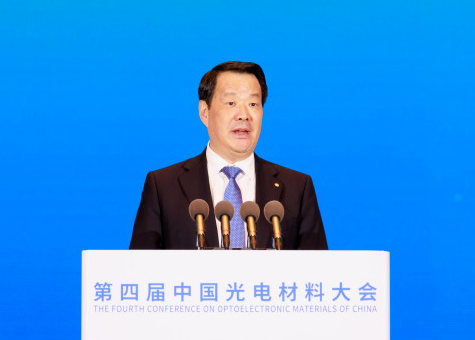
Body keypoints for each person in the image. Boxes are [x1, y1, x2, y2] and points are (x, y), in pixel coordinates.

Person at [129, 61, 328, 250]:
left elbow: (319, 268)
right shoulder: (163, 186)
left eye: (253, 104)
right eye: (231, 103)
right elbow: (138, 267)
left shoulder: (297, 188)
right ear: (204, 112)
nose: (244, 115)